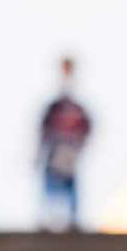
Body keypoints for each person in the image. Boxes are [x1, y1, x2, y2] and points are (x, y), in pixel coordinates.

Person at [38, 57, 92, 232]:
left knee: (69, 189)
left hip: (69, 156)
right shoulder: (54, 107)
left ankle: (70, 220)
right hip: (54, 156)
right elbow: (44, 130)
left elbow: (86, 129)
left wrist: (78, 148)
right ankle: (48, 219)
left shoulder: (76, 109)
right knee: (51, 188)